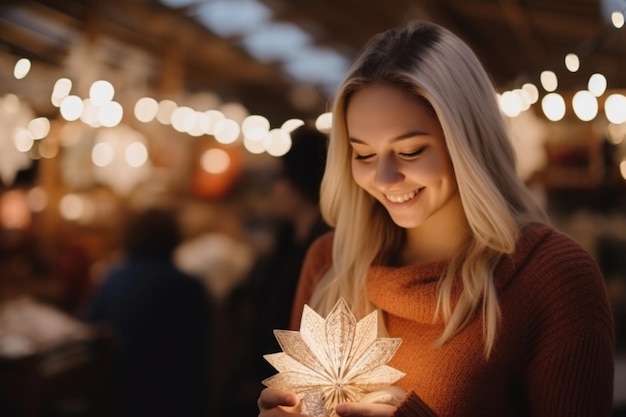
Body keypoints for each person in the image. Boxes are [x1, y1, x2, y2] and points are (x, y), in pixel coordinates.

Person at [257, 20, 615, 417]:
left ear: (468, 143)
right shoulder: (331, 263)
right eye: (363, 154)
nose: (385, 178)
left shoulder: (552, 279)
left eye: (410, 151)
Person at [218, 124, 330, 417]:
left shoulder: (322, 253)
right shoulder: (285, 241)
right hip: (255, 382)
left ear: (298, 183)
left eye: (280, 178)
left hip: (287, 391)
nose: (273, 188)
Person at [85, 207, 212, 417]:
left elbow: (90, 328)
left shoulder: (113, 279)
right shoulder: (191, 287)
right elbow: (202, 351)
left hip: (123, 395)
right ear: (174, 239)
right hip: (178, 397)